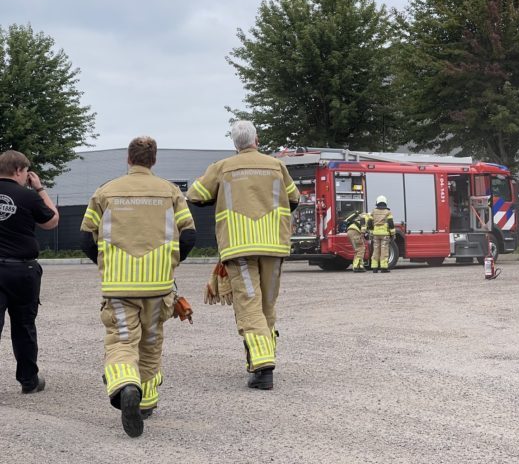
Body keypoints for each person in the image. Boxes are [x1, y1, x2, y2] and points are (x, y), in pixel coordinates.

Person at [80, 137, 196, 438]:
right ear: (153, 161)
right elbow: (189, 236)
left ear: (128, 159)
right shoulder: (171, 192)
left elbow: (85, 238)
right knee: (151, 344)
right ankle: (145, 403)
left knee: (121, 342)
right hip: (158, 286)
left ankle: (126, 386)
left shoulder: (105, 191)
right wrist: (169, 265)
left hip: (119, 286)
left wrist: (107, 264)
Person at [187, 120, 299, 390]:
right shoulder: (276, 166)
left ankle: (262, 364)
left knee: (249, 304)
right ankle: (260, 359)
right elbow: (294, 199)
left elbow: (194, 195)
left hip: (239, 246)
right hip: (274, 245)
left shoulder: (223, 167)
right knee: (266, 306)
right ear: (256, 140)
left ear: (234, 144)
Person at [0, 150, 59, 394]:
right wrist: (40, 189)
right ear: (18, 171)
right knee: (23, 326)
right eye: (26, 173)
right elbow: (52, 220)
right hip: (22, 270)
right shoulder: (27, 196)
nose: (27, 177)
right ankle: (28, 380)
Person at [367, 195, 395, 273]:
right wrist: (392, 234)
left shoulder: (373, 211)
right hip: (385, 234)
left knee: (376, 250)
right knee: (384, 250)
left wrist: (371, 231)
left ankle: (374, 268)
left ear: (377, 202)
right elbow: (391, 223)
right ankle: (384, 268)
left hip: (376, 234)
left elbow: (369, 223)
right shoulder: (388, 212)